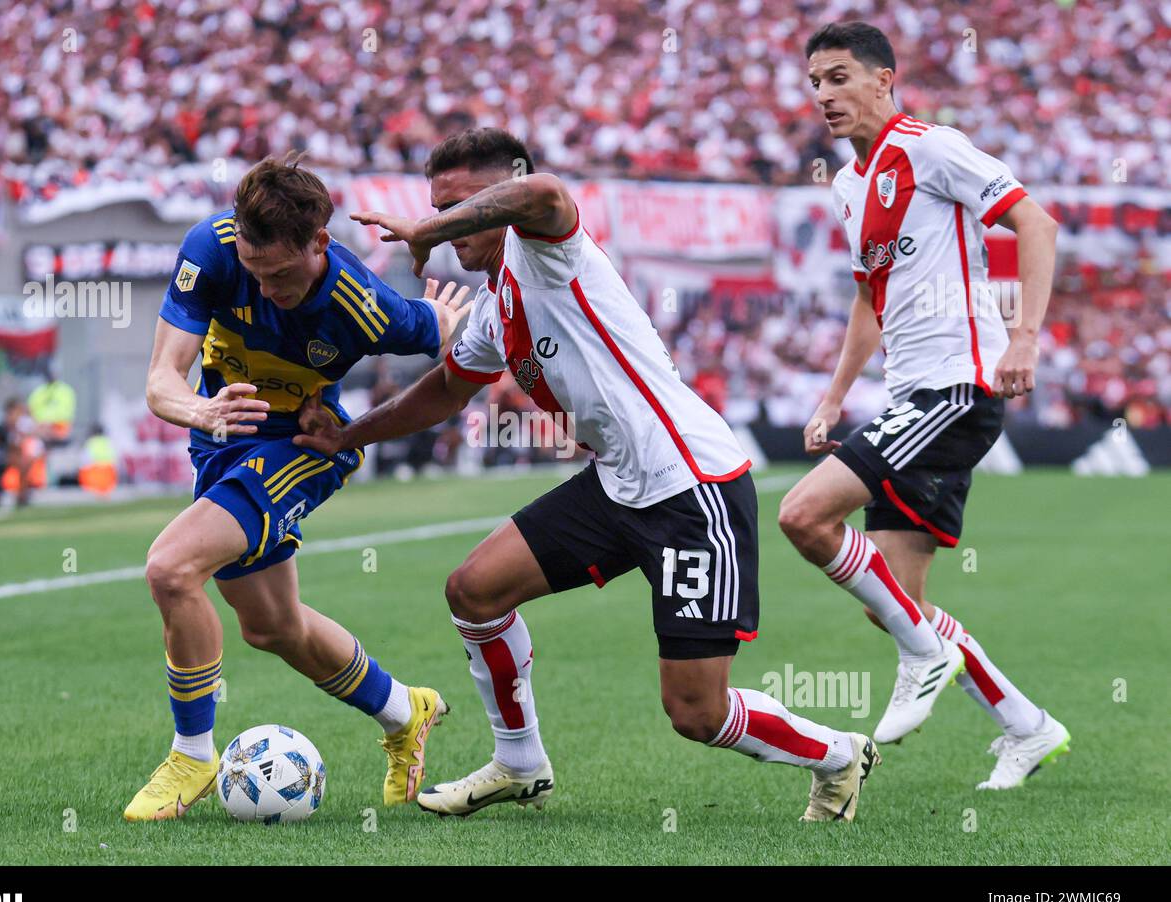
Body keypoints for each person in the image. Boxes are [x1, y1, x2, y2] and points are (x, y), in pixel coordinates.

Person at [297, 129, 879, 822]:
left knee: (695, 711)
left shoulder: (544, 248)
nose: (450, 227)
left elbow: (543, 192)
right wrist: (349, 435)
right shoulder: (493, 306)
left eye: (462, 206)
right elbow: (445, 392)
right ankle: (520, 763)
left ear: (496, 197)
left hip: (692, 488)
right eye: (437, 207)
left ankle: (838, 754)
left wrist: (428, 224)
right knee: (474, 592)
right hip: (617, 484)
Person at [124, 152, 472, 821]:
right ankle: (408, 710)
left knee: (171, 569)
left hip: (304, 445)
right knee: (271, 627)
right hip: (221, 436)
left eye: (280, 273)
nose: (265, 286)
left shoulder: (364, 305)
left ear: (319, 242)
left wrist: (440, 324)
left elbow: (437, 332)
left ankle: (191, 754)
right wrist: (202, 411)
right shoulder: (213, 249)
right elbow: (161, 378)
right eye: (255, 272)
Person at [777, 22, 1069, 790]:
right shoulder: (848, 184)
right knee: (892, 603)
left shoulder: (931, 147)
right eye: (814, 82)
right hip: (913, 395)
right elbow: (870, 301)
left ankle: (924, 655)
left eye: (839, 78)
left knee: (804, 517)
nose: (824, 96)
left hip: (956, 388)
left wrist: (1024, 339)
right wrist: (834, 395)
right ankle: (1027, 727)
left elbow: (1035, 222)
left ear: (884, 79)